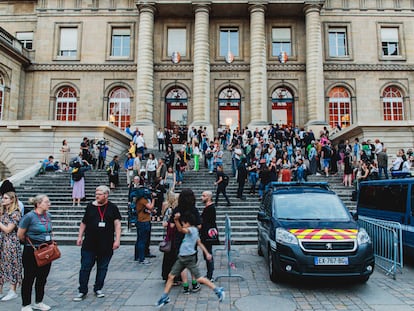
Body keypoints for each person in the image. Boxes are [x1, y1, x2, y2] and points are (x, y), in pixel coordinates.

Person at [155, 212, 225, 307]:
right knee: (171, 276)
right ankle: (165, 297)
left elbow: (180, 229)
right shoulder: (195, 230)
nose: (183, 224)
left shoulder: (191, 230)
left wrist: (176, 220)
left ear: (188, 223)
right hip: (182, 257)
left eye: (184, 222)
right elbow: (199, 243)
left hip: (188, 258)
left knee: (199, 278)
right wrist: (207, 253)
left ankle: (217, 290)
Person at [73, 185, 121, 301]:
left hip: (106, 244)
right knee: (85, 267)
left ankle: (98, 288)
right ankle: (82, 290)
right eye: (96, 194)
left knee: (102, 268)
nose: (97, 196)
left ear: (106, 195)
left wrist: (117, 239)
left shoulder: (112, 207)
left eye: (99, 194)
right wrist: (80, 236)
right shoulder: (90, 206)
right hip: (89, 244)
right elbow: (83, 222)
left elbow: (117, 224)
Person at [17, 194, 54, 311]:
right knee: (29, 278)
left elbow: (50, 230)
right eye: (46, 202)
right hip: (32, 250)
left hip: (46, 249)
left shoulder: (48, 215)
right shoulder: (29, 217)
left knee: (42, 278)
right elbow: (20, 235)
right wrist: (31, 242)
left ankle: (39, 301)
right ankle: (26, 304)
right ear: (38, 204)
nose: (49, 204)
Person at [0, 191, 22, 301]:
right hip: (2, 241)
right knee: (1, 265)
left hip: (11, 242)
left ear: (12, 200)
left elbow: (8, 229)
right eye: (2, 198)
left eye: (5, 198)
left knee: (12, 265)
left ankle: (12, 290)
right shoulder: (4, 212)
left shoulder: (15, 213)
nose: (3, 200)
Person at [135, 185, 155, 265]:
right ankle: (142, 258)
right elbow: (150, 207)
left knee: (140, 239)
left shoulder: (138, 200)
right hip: (144, 221)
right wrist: (153, 199)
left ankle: (138, 255)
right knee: (142, 240)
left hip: (141, 220)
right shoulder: (143, 200)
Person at [200, 191, 217, 281]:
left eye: (204, 196)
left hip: (208, 233)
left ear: (209, 197)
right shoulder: (208, 207)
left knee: (208, 253)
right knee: (207, 252)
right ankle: (209, 274)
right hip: (206, 233)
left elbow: (206, 221)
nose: (201, 197)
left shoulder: (210, 208)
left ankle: (210, 275)